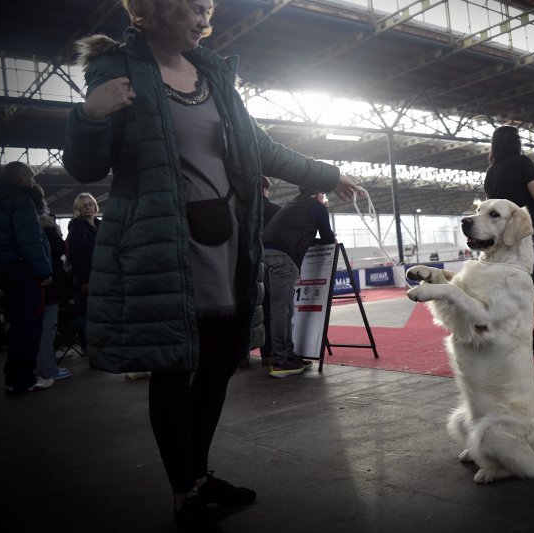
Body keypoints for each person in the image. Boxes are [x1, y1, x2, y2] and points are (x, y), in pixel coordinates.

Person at [61, 1, 363, 531]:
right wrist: (89, 116)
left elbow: (260, 147)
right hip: (164, 243)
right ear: (155, 12)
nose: (204, 19)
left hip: (228, 239)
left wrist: (327, 172)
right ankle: (185, 490)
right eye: (193, 9)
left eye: (208, 9)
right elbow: (85, 166)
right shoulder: (119, 71)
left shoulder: (212, 75)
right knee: (175, 366)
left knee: (221, 361)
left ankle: (197, 476)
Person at [0, 162, 54, 393]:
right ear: (21, 176)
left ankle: (13, 378)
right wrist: (44, 271)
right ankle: (24, 380)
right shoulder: (21, 200)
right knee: (29, 326)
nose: (32, 179)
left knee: (16, 327)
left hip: (5, 271)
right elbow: (30, 241)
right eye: (29, 175)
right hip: (25, 273)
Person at [262, 186, 335, 378]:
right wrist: (323, 213)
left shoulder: (291, 205)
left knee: (283, 308)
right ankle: (280, 361)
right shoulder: (316, 208)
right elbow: (328, 238)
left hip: (264, 255)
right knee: (280, 309)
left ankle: (288, 356)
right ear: (318, 194)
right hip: (283, 258)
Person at [483, 125, 534, 256]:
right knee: (526, 270)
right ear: (516, 142)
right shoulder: (522, 162)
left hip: (500, 230)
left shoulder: (491, 170)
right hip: (522, 229)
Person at [36, 212, 72, 382]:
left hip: (38, 290)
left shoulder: (37, 238)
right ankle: (49, 368)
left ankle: (41, 368)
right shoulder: (52, 237)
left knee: (40, 330)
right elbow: (62, 255)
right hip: (51, 290)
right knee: (48, 330)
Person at [66, 192, 100, 338]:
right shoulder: (77, 228)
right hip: (87, 279)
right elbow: (76, 257)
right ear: (78, 209)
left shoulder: (100, 225)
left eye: (90, 204)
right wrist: (84, 280)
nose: (88, 207)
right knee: (91, 317)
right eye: (84, 205)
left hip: (102, 276)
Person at [257, 176, 281, 366]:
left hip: (244, 263)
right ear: (265, 189)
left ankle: (242, 355)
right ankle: (269, 352)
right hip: (270, 263)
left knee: (247, 308)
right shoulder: (277, 211)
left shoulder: (241, 211)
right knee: (270, 306)